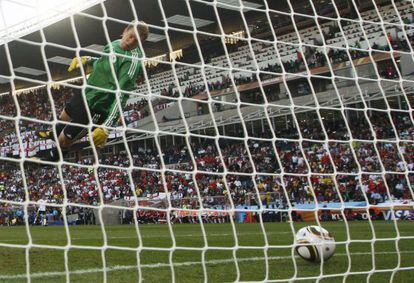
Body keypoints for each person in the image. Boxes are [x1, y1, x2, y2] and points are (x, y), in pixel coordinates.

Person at [37, 21, 149, 161]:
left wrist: (107, 127)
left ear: (140, 43)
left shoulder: (131, 62)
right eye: (131, 36)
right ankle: (54, 134)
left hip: (97, 106)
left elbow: (122, 96)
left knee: (63, 141)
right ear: (125, 30)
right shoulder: (114, 43)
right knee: (64, 117)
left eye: (136, 41)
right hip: (87, 92)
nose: (131, 41)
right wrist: (87, 60)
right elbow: (103, 61)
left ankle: (52, 159)